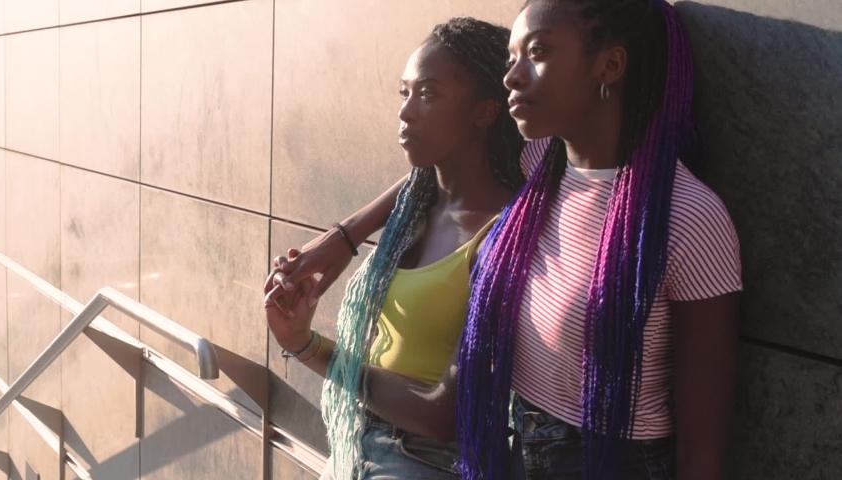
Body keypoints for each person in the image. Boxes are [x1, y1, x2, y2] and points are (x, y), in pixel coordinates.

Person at [270, 1, 743, 479]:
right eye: (511, 58)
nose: (512, 77)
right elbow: (429, 171)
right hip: (516, 456)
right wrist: (343, 239)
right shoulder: (542, 164)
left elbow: (702, 455)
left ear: (610, 65)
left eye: (536, 52)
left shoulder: (689, 218)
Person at [264, 17, 526, 479]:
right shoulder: (415, 208)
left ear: (485, 112)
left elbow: (440, 414)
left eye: (428, 94)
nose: (406, 112)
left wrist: (310, 349)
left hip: (425, 461)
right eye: (404, 93)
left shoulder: (505, 236)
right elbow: (420, 179)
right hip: (354, 444)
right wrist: (344, 235)